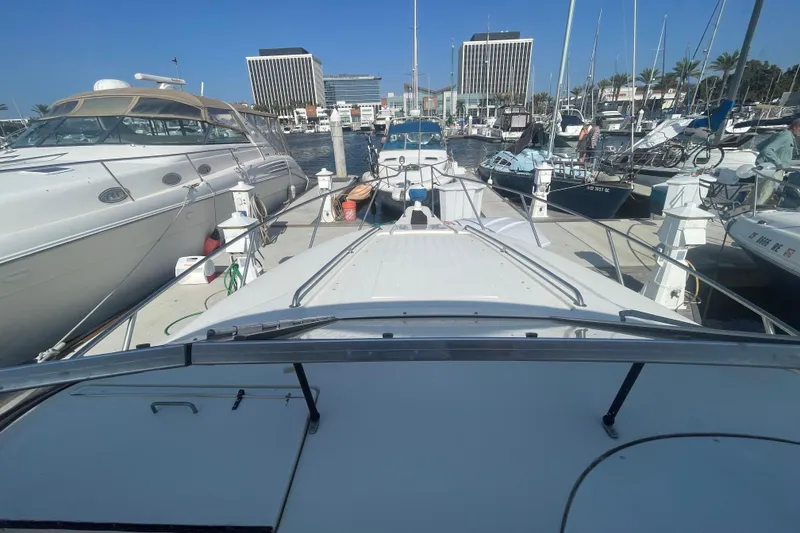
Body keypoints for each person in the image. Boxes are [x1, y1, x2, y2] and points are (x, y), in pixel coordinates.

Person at [751, 118, 800, 205]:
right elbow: (767, 150)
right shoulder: (786, 136)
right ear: (796, 127)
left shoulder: (782, 133)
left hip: (768, 169)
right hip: (774, 171)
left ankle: (745, 212)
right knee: (762, 197)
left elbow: (759, 146)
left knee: (758, 195)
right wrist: (778, 163)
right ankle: (751, 214)